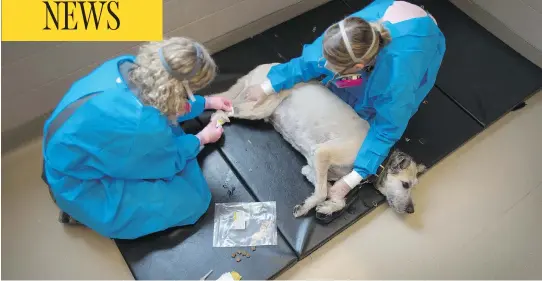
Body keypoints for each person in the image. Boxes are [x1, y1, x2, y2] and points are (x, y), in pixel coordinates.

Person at [244, 0, 445, 215]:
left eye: (335, 67)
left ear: (359, 66)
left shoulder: (398, 81)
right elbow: (308, 62)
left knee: (375, 110)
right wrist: (266, 87)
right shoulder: (342, 38)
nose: (326, 67)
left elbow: (387, 131)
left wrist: (351, 179)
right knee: (338, 84)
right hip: (388, 12)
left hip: (419, 38)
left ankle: (356, 83)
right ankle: (347, 81)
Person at [42, 37, 232, 239]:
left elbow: (160, 101)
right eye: (192, 93)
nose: (192, 97)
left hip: (67, 151)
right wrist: (202, 138)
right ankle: (81, 213)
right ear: (178, 91)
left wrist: (205, 103)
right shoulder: (142, 125)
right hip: (79, 185)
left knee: (165, 131)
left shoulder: (125, 65)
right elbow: (169, 160)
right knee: (193, 199)